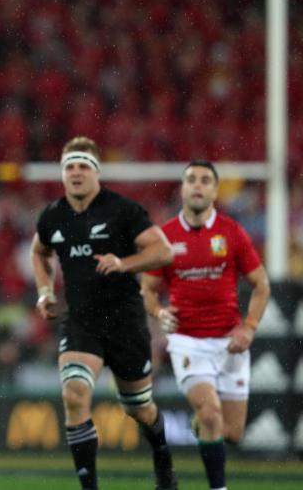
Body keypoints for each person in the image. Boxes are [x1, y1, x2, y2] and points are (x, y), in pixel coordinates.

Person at [30, 137, 178, 490]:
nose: (76, 173)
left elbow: (164, 251)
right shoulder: (53, 216)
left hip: (126, 323)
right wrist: (45, 291)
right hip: (82, 321)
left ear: (96, 173)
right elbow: (40, 252)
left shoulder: (123, 210)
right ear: (62, 174)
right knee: (74, 394)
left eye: (83, 166)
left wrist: (124, 262)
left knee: (140, 409)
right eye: (69, 167)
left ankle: (162, 457)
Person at [141, 161, 270, 490]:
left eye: (205, 180)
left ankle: (204, 426)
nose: (197, 185)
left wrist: (249, 328)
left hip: (230, 342)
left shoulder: (231, 232)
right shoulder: (165, 236)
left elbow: (261, 285)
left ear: (214, 191)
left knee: (232, 433)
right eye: (191, 180)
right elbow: (148, 291)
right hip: (187, 341)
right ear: (183, 189)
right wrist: (159, 313)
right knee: (210, 411)